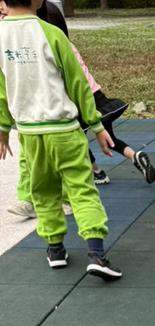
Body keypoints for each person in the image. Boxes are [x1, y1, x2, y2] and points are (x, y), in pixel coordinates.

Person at [0, 0, 121, 277]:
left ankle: (55, 249)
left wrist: (3, 128)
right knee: (82, 189)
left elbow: (1, 90)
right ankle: (96, 255)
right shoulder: (51, 33)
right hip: (65, 130)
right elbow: (78, 83)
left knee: (43, 192)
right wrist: (96, 125)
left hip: (30, 134)